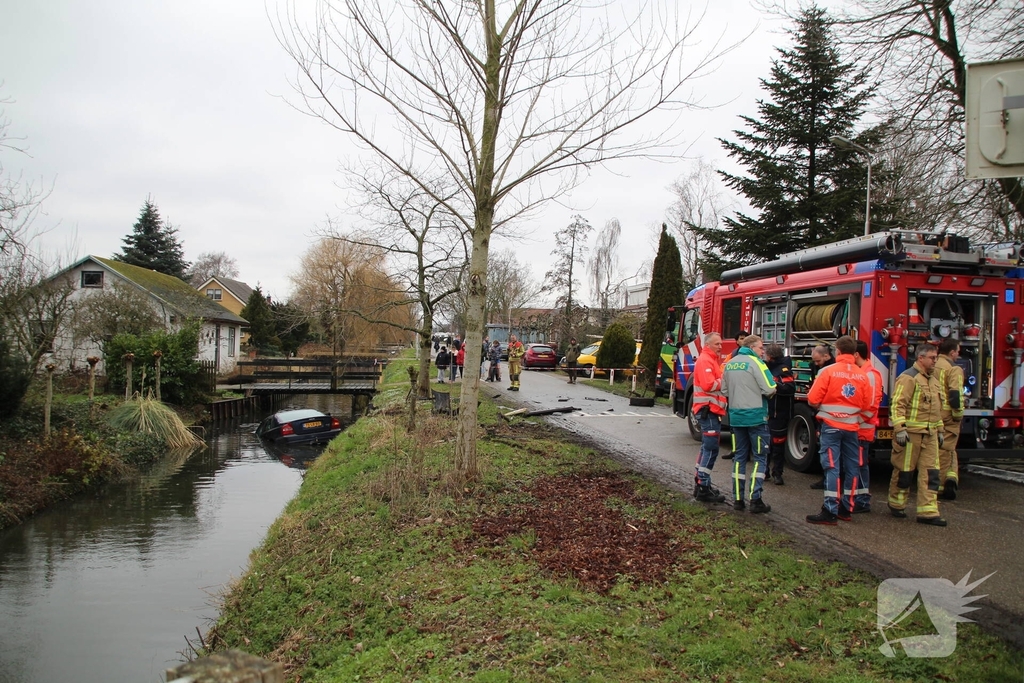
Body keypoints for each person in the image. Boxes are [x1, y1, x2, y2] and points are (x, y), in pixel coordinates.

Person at [805, 336, 871, 525]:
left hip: (831, 427)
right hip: (852, 428)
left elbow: (812, 399)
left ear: (838, 352)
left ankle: (830, 510)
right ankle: (846, 508)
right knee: (852, 468)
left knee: (832, 467)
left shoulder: (828, 372)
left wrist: (826, 411)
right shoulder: (862, 375)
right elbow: (868, 406)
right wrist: (854, 419)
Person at [888, 344, 947, 526]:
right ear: (920, 358)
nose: (935, 361)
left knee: (931, 474)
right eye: (931, 358)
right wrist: (900, 429)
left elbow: (936, 410)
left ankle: (928, 511)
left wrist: (940, 430)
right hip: (910, 435)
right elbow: (898, 405)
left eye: (935, 358)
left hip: (930, 435)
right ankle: (897, 504)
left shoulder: (934, 381)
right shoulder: (908, 378)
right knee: (904, 472)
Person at [721, 335, 776, 513]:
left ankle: (737, 499)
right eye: (761, 348)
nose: (763, 351)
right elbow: (769, 388)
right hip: (756, 418)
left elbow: (724, 390)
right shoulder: (757, 363)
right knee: (760, 458)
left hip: (736, 418)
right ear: (752, 347)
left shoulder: (730, 363)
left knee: (739, 458)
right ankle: (755, 499)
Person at [691, 332, 728, 503]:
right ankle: (703, 485)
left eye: (720, 344)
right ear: (708, 345)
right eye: (717, 344)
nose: (720, 347)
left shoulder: (711, 359)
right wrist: (723, 382)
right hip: (708, 410)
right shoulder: (706, 360)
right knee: (711, 448)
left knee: (708, 447)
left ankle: (701, 483)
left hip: (710, 410)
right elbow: (708, 384)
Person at [851, 340, 883, 513]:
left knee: (860, 465)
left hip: (862, 429)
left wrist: (854, 422)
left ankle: (862, 501)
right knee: (857, 464)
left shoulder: (870, 374)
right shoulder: (864, 372)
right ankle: (858, 498)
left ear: (856, 355)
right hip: (859, 427)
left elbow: (870, 406)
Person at [935, 338, 965, 500]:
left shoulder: (933, 364)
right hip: (948, 416)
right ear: (952, 352)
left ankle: (951, 477)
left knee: (940, 450)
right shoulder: (954, 369)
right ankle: (941, 485)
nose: (958, 354)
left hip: (932, 414)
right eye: (958, 351)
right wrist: (958, 415)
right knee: (946, 451)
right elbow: (955, 396)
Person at [764, 344, 795, 486]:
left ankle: (778, 473)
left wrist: (773, 385)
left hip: (779, 413)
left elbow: (789, 389)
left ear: (770, 356)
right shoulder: (766, 367)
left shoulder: (783, 370)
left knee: (778, 446)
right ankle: (765, 471)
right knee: (765, 444)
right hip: (767, 413)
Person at [808, 344, 837, 490]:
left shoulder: (830, 370)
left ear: (827, 356)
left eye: (818, 361)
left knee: (829, 452)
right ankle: (826, 478)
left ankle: (828, 480)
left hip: (829, 418)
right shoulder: (820, 368)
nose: (815, 364)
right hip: (823, 415)